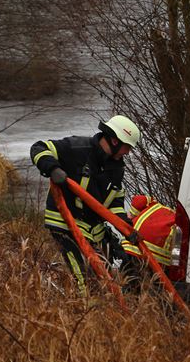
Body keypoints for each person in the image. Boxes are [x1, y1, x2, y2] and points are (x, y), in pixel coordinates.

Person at [30, 115, 141, 296]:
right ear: (114, 141)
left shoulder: (117, 168)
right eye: (127, 147)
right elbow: (38, 148)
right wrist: (53, 169)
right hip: (65, 223)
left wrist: (125, 226)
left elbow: (115, 201)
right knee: (85, 276)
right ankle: (86, 312)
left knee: (104, 274)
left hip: (92, 228)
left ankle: (103, 311)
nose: (127, 152)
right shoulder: (76, 148)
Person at [120, 194, 182, 284]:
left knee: (128, 282)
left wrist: (132, 215)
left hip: (131, 245)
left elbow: (138, 202)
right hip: (156, 258)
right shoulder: (173, 218)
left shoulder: (152, 205)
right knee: (153, 287)